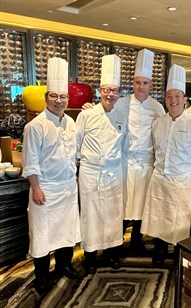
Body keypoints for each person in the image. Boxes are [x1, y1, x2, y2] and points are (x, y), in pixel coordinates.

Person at [82, 49, 165, 256]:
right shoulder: (121, 102)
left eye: (145, 83)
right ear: (132, 84)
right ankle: (115, 245)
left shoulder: (157, 108)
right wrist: (90, 107)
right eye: (137, 82)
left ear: (151, 86)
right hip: (124, 163)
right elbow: (104, 112)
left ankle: (136, 241)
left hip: (147, 163)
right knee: (119, 208)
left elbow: (163, 134)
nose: (141, 87)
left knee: (142, 207)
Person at [22, 57, 81, 294]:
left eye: (63, 96)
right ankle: (41, 277)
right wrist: (35, 188)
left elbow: (72, 153)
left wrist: (75, 176)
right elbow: (30, 161)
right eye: (54, 96)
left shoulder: (70, 122)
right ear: (46, 97)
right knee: (43, 235)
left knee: (66, 231)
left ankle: (64, 265)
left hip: (67, 188)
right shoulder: (34, 126)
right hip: (45, 189)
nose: (59, 101)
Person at [141, 64, 191, 267]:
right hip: (159, 177)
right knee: (159, 217)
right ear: (165, 100)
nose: (173, 100)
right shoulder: (158, 122)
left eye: (177, 96)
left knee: (178, 219)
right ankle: (160, 251)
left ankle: (178, 253)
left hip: (180, 179)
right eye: (169, 96)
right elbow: (153, 149)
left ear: (184, 99)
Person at [76, 54, 127, 274]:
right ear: (99, 91)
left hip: (114, 172)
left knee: (113, 215)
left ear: (119, 94)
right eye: (106, 89)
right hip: (91, 172)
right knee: (91, 215)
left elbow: (125, 144)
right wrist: (76, 171)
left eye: (114, 90)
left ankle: (110, 254)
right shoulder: (86, 115)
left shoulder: (122, 116)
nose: (110, 94)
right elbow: (75, 146)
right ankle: (89, 256)